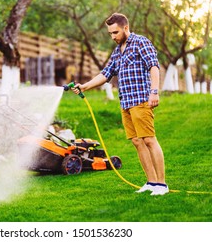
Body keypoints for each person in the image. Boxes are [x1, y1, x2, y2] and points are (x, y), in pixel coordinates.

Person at [72, 13, 169, 195]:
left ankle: (162, 184)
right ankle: (151, 182)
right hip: (126, 103)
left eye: (115, 32)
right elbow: (105, 74)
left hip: (141, 100)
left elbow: (153, 66)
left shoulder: (141, 42)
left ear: (125, 28)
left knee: (149, 139)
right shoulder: (117, 52)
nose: (113, 36)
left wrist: (154, 92)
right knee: (137, 142)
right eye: (110, 33)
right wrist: (85, 86)